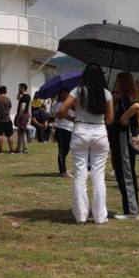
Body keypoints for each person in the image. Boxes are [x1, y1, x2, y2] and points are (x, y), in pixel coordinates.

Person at [56, 64, 113, 225]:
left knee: (80, 174)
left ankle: (81, 215)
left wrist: (71, 118)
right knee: (98, 176)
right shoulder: (106, 93)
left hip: (80, 130)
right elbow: (109, 119)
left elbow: (62, 110)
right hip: (100, 132)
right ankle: (100, 216)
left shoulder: (78, 90)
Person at [108, 72, 139, 219]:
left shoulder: (128, 96)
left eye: (117, 81)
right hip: (118, 138)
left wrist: (124, 117)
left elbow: (137, 106)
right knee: (122, 172)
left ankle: (132, 211)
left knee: (126, 172)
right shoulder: (121, 97)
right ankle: (130, 209)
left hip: (123, 138)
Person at [52, 89, 74, 176]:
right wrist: (71, 118)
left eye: (67, 94)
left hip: (70, 129)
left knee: (66, 149)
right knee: (62, 150)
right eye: (63, 94)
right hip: (61, 129)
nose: (65, 96)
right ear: (61, 95)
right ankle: (62, 171)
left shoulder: (70, 105)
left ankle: (64, 169)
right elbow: (59, 115)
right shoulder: (59, 104)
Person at [14, 83, 31, 154]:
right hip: (25, 115)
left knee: (22, 132)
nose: (18, 89)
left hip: (22, 115)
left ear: (22, 88)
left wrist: (18, 116)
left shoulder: (24, 97)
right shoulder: (26, 96)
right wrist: (19, 93)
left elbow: (23, 108)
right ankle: (20, 148)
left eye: (19, 88)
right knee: (21, 132)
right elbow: (18, 98)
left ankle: (23, 149)